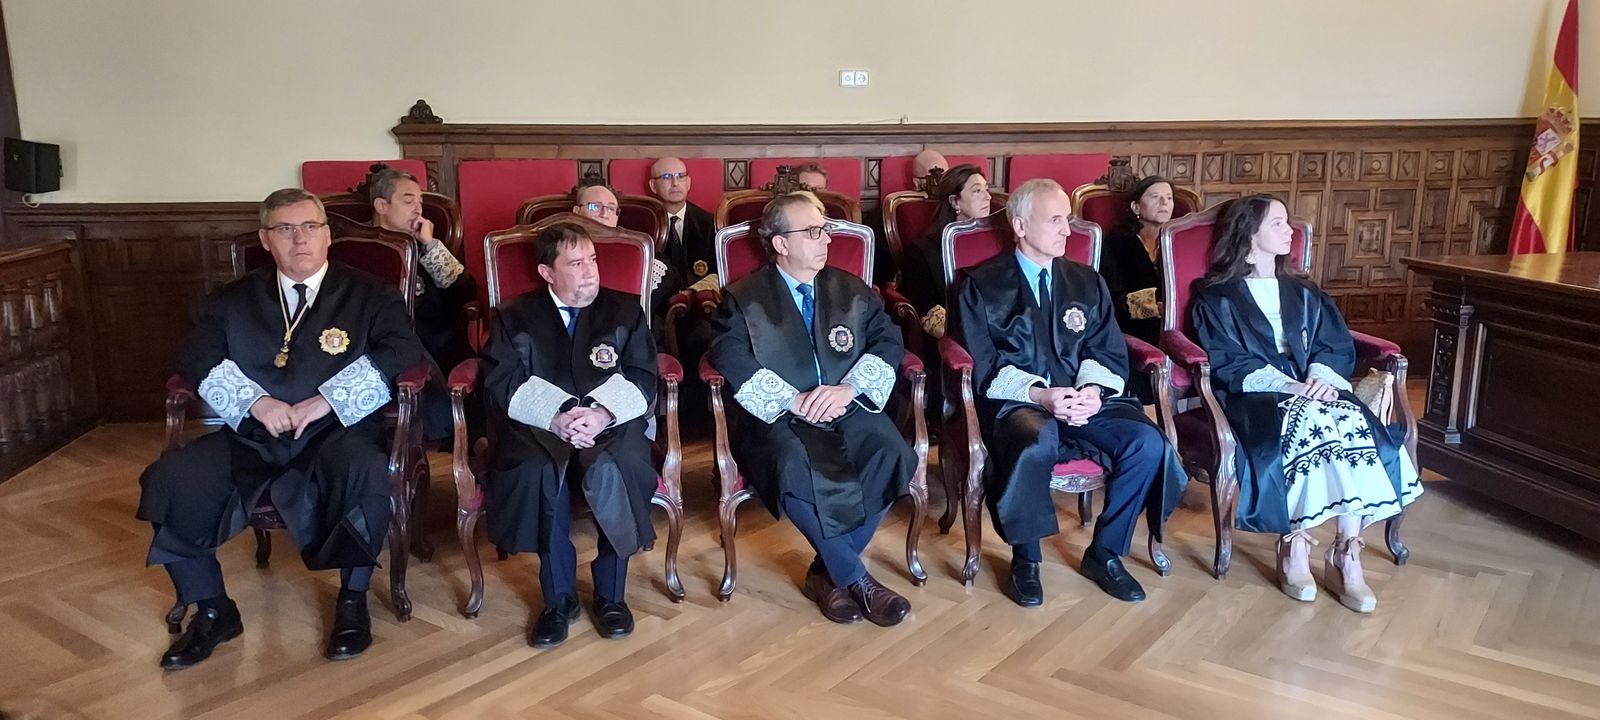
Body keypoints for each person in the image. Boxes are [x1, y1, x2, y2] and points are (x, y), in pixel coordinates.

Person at [138, 188, 425, 669]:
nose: (299, 240)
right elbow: (197, 357)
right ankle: (212, 609)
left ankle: (352, 603)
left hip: (337, 433)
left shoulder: (371, 294)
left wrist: (326, 401)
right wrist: (257, 403)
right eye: (285, 229)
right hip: (254, 436)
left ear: (328, 236)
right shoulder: (231, 299)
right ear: (265, 239)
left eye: (310, 227)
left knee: (368, 476)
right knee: (172, 478)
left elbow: (402, 352)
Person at [953, 179, 1187, 607]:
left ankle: (1106, 553)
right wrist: (1043, 396)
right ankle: (1026, 559)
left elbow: (1106, 347)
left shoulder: (1086, 282)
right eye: (1056, 220)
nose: (1068, 231)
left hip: (1085, 398)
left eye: (1070, 220)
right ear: (1020, 226)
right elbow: (982, 363)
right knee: (1033, 438)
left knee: (1147, 442)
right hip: (1020, 401)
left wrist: (1092, 391)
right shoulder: (982, 285)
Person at [1189, 194, 1422, 613]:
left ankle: (1346, 552)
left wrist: (1319, 377)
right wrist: (1289, 387)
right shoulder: (1215, 295)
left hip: (1316, 386)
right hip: (1255, 394)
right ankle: (1294, 545)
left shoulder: (1304, 291)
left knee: (1348, 419)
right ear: (1249, 234)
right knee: (1310, 419)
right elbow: (1225, 357)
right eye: (1277, 224)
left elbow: (1334, 343)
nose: (1289, 231)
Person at [707, 191, 915, 627]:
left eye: (827, 230)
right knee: (790, 462)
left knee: (892, 452)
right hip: (782, 413)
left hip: (846, 402)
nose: (827, 240)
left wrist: (850, 387)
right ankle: (857, 580)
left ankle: (826, 574)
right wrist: (792, 400)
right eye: (814, 232)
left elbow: (888, 339)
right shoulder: (743, 297)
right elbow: (730, 356)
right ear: (780, 243)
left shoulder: (851, 289)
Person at [479, 221, 659, 647]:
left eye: (592, 259)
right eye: (576, 263)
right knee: (540, 473)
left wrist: (600, 414)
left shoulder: (626, 310)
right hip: (540, 426)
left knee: (621, 467)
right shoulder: (514, 316)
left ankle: (611, 596)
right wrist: (557, 415)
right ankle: (557, 599)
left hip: (610, 424)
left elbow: (643, 373)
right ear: (547, 273)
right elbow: (501, 378)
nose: (590, 271)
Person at [364, 165, 478, 439]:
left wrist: (430, 245)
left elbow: (465, 291)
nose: (418, 208)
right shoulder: (361, 249)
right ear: (381, 205)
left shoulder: (424, 246)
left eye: (420, 201)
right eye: (408, 200)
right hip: (381, 342)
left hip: (437, 338)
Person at [897, 163, 991, 338]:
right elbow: (928, 309)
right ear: (955, 201)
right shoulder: (922, 252)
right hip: (956, 337)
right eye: (977, 191)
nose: (988, 197)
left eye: (987, 189)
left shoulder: (998, 242)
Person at [1098, 175, 1174, 347]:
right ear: (1136, 207)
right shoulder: (1116, 243)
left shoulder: (1178, 242)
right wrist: (1155, 307)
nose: (1164, 202)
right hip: (1131, 329)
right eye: (1155, 197)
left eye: (1169, 198)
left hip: (1176, 326)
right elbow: (1110, 296)